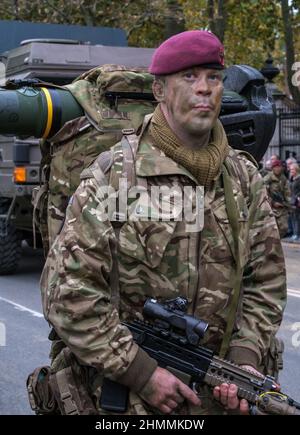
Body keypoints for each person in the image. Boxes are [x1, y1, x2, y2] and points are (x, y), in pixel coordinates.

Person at [40, 30, 287, 415]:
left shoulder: (243, 178)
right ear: (159, 90)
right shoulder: (114, 177)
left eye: (214, 77)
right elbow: (68, 294)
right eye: (189, 77)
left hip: (217, 398)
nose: (204, 89)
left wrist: (244, 358)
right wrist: (141, 374)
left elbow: (266, 280)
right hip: (132, 401)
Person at [264, 159, 291, 238]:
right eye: (276, 167)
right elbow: (263, 192)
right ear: (273, 168)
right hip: (271, 207)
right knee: (271, 228)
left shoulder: (283, 178)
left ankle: (277, 240)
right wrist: (272, 203)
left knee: (284, 228)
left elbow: (287, 191)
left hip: (282, 206)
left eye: (279, 167)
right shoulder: (267, 178)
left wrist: (288, 203)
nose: (278, 169)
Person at [289, 163, 300, 241]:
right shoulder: (291, 178)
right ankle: (294, 233)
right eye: (290, 169)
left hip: (297, 201)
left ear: (296, 170)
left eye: (292, 169)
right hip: (291, 200)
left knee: (297, 218)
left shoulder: (299, 179)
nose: (291, 171)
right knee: (292, 217)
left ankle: (297, 234)